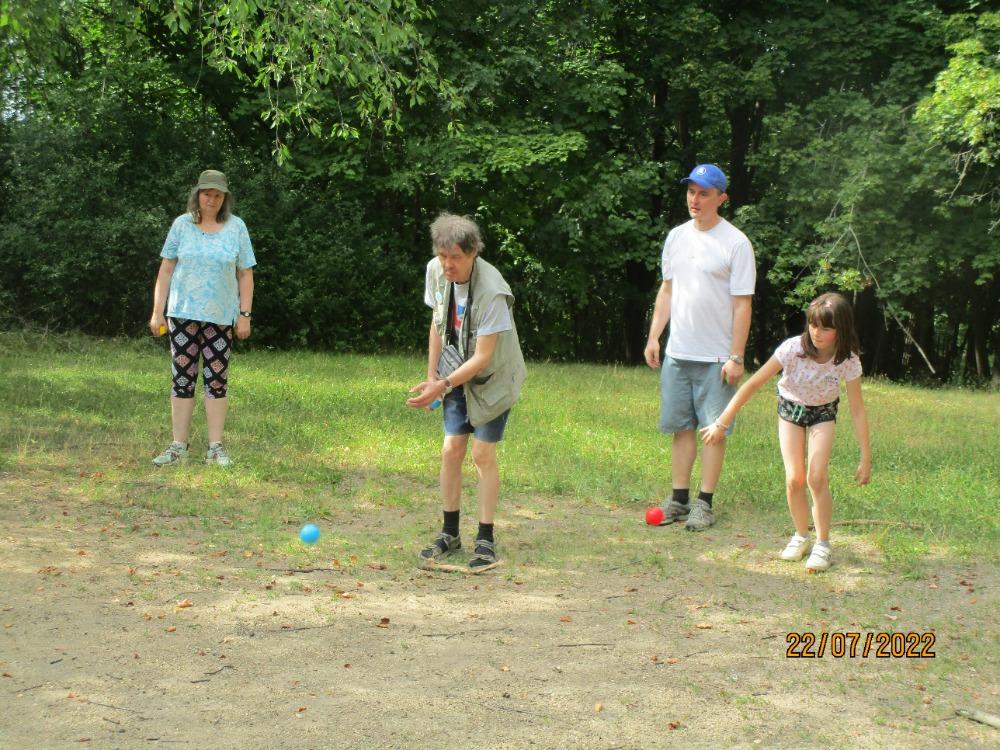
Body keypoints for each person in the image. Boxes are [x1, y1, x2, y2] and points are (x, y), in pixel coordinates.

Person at [700, 292, 872, 570]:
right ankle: (801, 535)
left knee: (816, 477)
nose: (817, 332)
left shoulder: (847, 360)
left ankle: (823, 544)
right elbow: (753, 383)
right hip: (790, 410)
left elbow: (857, 409)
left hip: (823, 413)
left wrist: (865, 457)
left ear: (841, 329)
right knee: (794, 479)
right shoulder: (793, 349)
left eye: (826, 328)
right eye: (813, 325)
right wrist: (722, 421)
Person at [406, 213, 526, 571]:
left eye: (455, 257)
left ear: (473, 253)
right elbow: (437, 323)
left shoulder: (493, 290)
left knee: (482, 454)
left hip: (493, 377)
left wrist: (442, 384)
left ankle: (486, 539)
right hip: (454, 370)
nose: (448, 264)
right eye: (443, 256)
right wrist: (432, 377)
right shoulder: (436, 271)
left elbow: (484, 356)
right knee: (451, 449)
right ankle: (449, 533)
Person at [644, 164, 756, 530]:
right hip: (679, 352)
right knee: (681, 427)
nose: (695, 199)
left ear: (721, 198)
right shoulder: (676, 237)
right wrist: (654, 335)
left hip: (718, 357)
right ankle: (679, 499)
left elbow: (743, 305)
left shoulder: (736, 243)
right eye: (691, 191)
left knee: (714, 430)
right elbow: (668, 290)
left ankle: (704, 503)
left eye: (704, 193)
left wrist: (737, 356)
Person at [148, 169, 256, 467]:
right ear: (197, 195)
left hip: (221, 317)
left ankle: (215, 448)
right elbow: (166, 269)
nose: (211, 199)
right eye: (207, 193)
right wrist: (157, 311)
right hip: (181, 315)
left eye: (217, 195)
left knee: (216, 380)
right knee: (182, 378)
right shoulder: (181, 225)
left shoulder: (237, 228)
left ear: (225, 199)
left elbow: (246, 274)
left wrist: (244, 314)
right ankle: (178, 446)